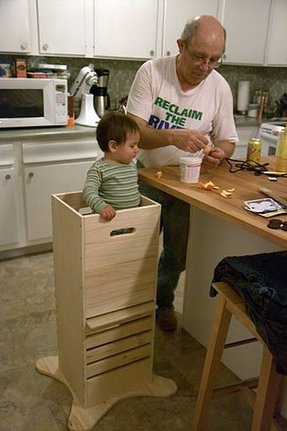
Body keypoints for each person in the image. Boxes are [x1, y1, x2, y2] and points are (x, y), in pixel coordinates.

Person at [126, 15, 238, 331]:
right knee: (135, 249)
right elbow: (134, 131)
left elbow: (228, 139)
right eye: (199, 56)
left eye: (215, 60)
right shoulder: (152, 72)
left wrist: (221, 153)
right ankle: (128, 310)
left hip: (188, 183)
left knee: (176, 253)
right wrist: (175, 136)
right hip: (146, 175)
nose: (205, 67)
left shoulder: (219, 87)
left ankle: (163, 303)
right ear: (181, 45)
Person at [83, 111, 141, 221]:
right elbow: (88, 191)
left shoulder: (132, 165)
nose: (137, 149)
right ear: (113, 146)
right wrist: (102, 207)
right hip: (108, 223)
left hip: (132, 221)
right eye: (132, 145)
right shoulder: (99, 169)